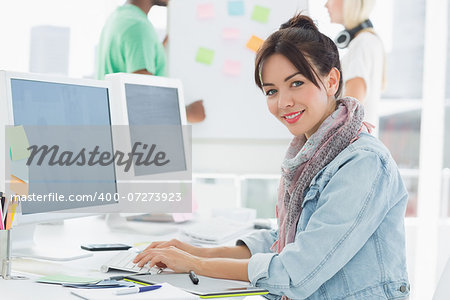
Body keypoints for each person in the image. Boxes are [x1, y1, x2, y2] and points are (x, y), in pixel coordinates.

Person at [133, 14, 409, 299]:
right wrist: (193, 250)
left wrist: (196, 264)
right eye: (271, 91)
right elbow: (284, 241)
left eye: (297, 83)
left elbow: (295, 272)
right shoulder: (311, 154)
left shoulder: (362, 163)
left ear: (332, 80)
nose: (283, 102)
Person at [96, 0, 205, 123]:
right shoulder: (138, 26)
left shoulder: (118, 18)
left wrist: (153, 56)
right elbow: (143, 98)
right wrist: (188, 112)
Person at [325, 0, 384, 133]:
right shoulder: (368, 41)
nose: (326, 5)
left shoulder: (362, 44)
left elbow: (351, 113)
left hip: (353, 145)